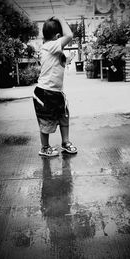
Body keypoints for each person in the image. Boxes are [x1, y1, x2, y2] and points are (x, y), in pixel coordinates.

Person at [33, 16, 77, 157]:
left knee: (64, 116)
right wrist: (61, 18)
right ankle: (45, 147)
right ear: (58, 36)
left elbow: (56, 65)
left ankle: (65, 142)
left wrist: (67, 60)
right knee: (46, 121)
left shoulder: (50, 49)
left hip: (56, 92)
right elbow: (69, 35)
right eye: (60, 37)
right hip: (45, 93)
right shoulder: (50, 45)